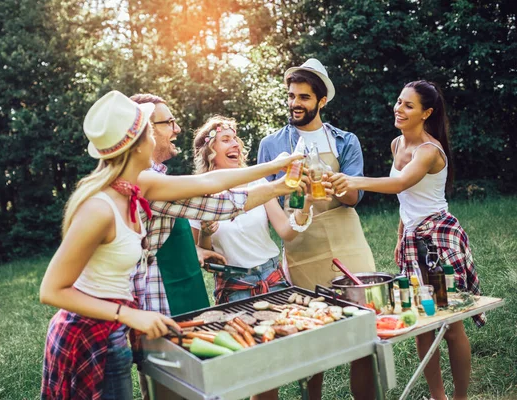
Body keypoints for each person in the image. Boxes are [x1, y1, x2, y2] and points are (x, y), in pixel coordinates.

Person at [39, 90, 302, 400]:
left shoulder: (142, 184)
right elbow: (51, 290)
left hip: (112, 334)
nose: (167, 132)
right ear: (137, 144)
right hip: (86, 337)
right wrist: (130, 314)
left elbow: (211, 184)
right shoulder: (99, 207)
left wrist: (279, 169)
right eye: (151, 129)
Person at [129, 94, 307, 400]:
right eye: (168, 122)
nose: (177, 128)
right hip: (160, 297)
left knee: (179, 384)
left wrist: (282, 188)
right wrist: (276, 174)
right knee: (171, 385)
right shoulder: (148, 181)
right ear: (145, 131)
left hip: (183, 292)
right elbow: (218, 196)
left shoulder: (156, 177)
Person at [330, 80, 484, 400]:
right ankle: (438, 395)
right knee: (423, 322)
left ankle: (460, 398)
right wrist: (402, 235)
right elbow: (407, 200)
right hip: (414, 242)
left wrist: (352, 180)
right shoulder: (397, 144)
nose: (399, 109)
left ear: (426, 112)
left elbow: (400, 183)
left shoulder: (429, 151)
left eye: (408, 105)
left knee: (451, 324)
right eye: (399, 102)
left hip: (438, 243)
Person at [190, 116, 333, 400]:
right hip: (236, 287)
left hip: (274, 280)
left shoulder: (256, 181)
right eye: (226, 139)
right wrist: (206, 234)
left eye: (236, 138)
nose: (236, 144)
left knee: (297, 352)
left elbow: (285, 231)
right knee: (259, 369)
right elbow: (199, 251)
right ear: (209, 151)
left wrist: (305, 203)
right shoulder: (200, 192)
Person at [257, 58, 376, 400]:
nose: (295, 103)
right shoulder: (272, 145)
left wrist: (338, 182)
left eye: (304, 97)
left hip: (347, 240)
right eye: (292, 95)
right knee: (311, 333)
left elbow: (354, 198)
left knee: (362, 329)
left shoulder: (345, 141)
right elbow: (265, 200)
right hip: (302, 245)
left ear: (321, 101)